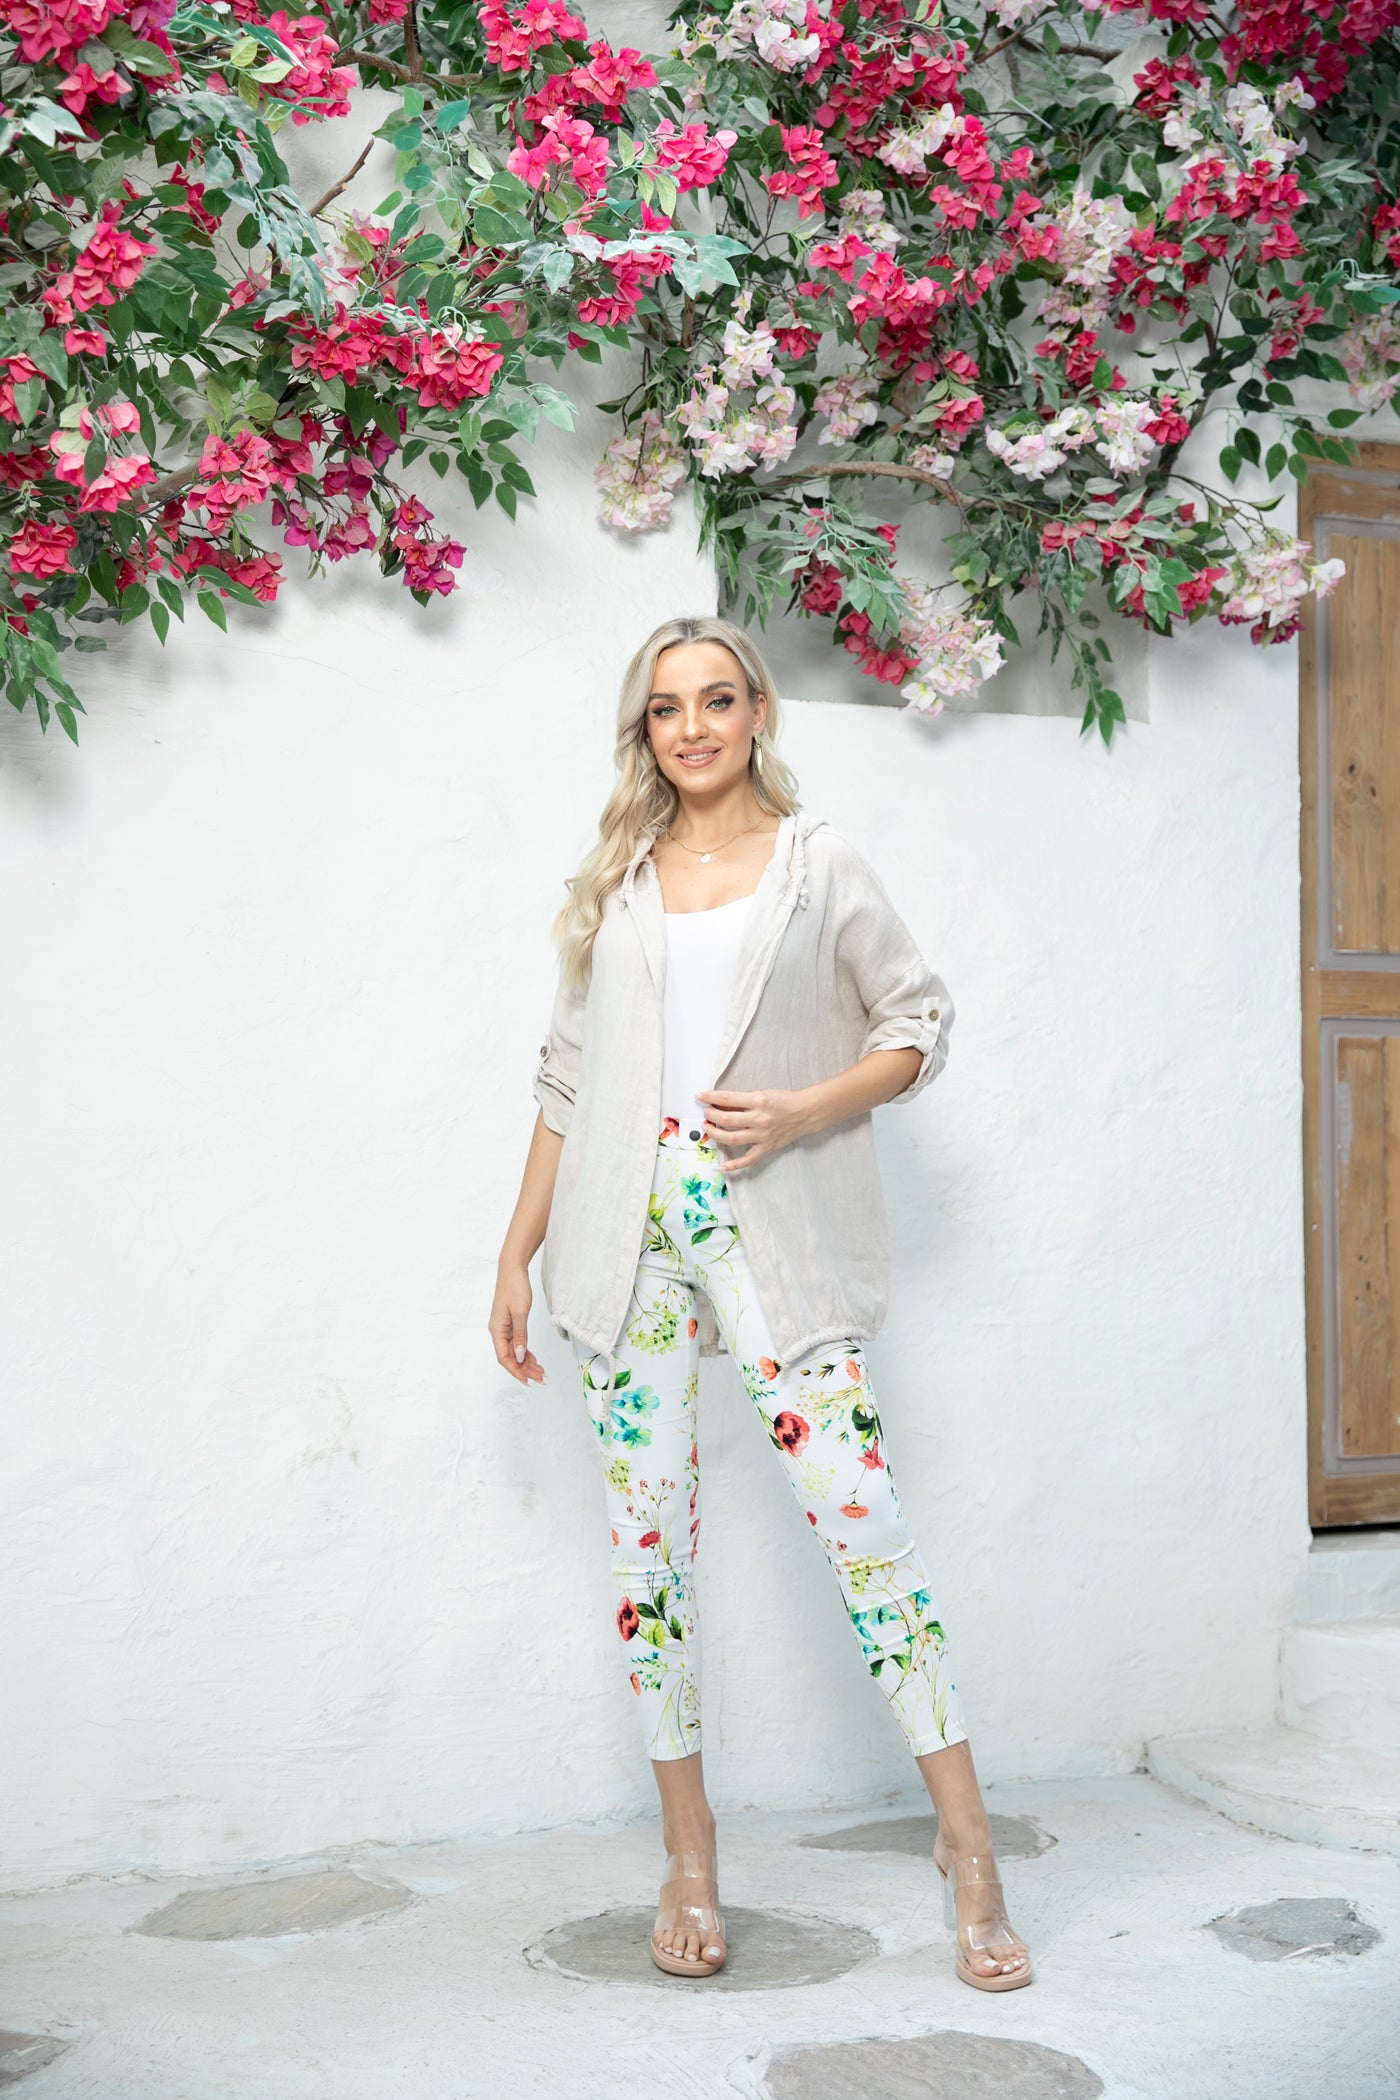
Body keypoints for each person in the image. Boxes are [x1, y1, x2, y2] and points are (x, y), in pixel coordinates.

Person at [490, 614, 1032, 1991]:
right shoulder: (617, 884)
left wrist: (803, 1110)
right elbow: (565, 1081)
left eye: (716, 700)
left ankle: (968, 1843)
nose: (693, 728)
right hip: (624, 1232)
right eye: (666, 708)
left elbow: (917, 1024)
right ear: (646, 731)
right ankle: (689, 1852)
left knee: (863, 1526)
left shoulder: (817, 864)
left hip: (768, 1219)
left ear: (758, 712)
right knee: (648, 1559)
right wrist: (515, 1252)